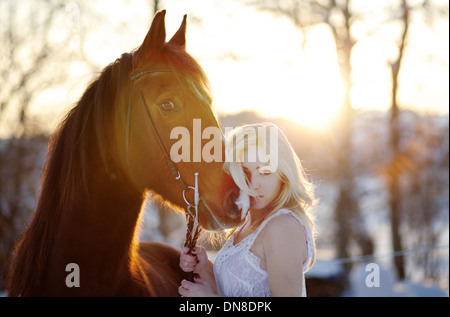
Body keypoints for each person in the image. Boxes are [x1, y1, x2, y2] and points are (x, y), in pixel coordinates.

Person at [178, 123, 317, 297]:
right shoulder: (249, 223)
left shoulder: (283, 227)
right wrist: (205, 269)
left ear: (283, 174)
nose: (252, 184)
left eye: (265, 172)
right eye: (244, 172)